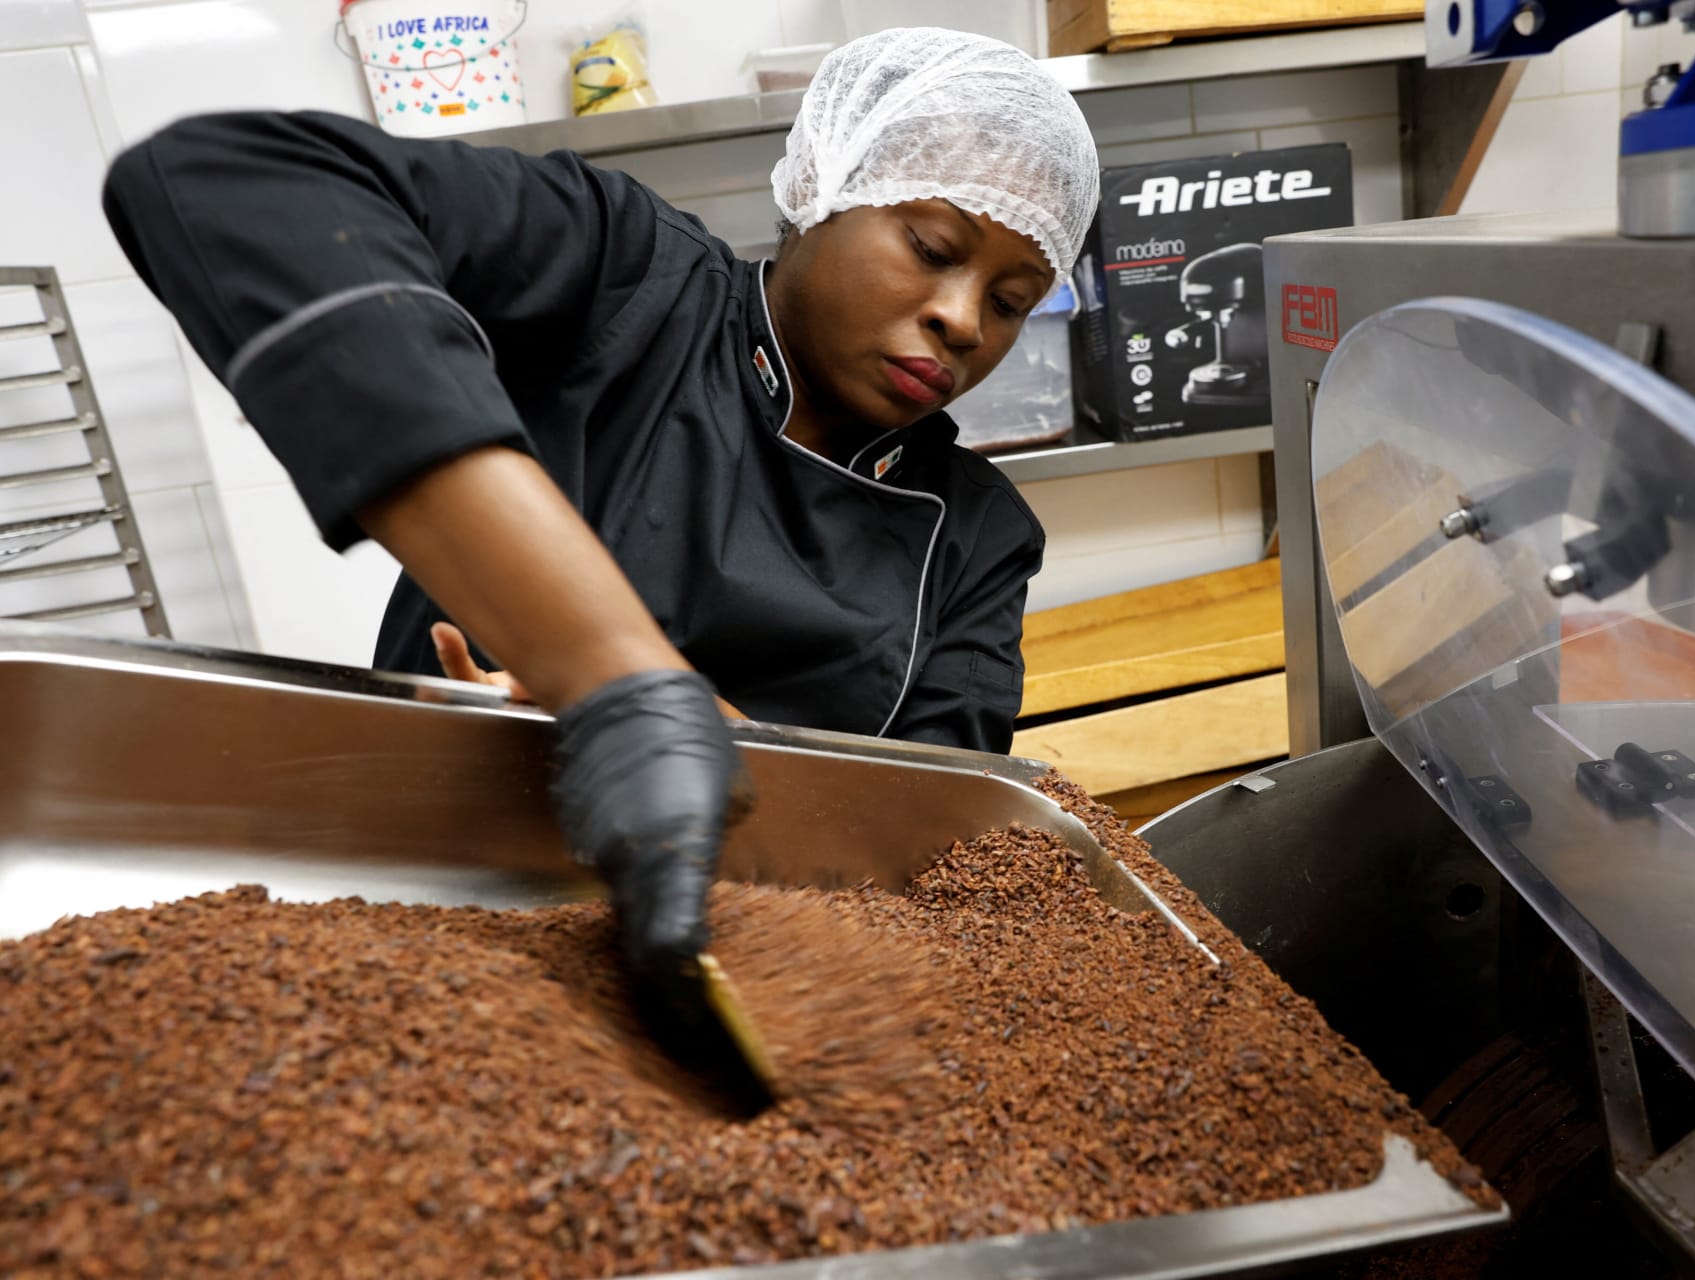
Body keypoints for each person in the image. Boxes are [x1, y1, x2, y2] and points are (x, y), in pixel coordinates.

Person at [102, 28, 1101, 1087]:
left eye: (1011, 302)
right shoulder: (627, 280)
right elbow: (223, 178)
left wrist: (721, 741)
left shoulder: (982, 534)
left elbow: (938, 850)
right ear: (824, 188)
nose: (960, 320)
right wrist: (602, 674)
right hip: (436, 923)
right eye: (933, 248)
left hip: (751, 999)